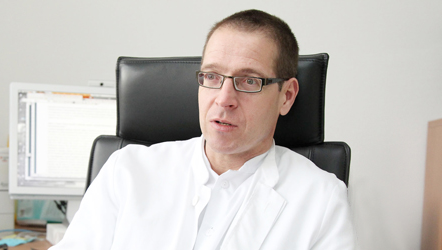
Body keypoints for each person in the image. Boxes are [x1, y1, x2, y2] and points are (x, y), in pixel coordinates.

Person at [50, 9, 355, 249]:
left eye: (249, 81)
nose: (224, 99)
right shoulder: (127, 171)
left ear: (286, 96)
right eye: (212, 76)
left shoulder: (322, 199)